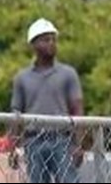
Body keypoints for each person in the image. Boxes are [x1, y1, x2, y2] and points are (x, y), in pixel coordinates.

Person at [10, 18, 85, 183]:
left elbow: (77, 109)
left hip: (61, 140)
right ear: (34, 44)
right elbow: (16, 113)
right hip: (34, 141)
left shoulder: (68, 74)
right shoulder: (22, 78)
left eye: (53, 39)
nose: (51, 43)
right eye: (45, 40)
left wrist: (78, 144)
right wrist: (13, 146)